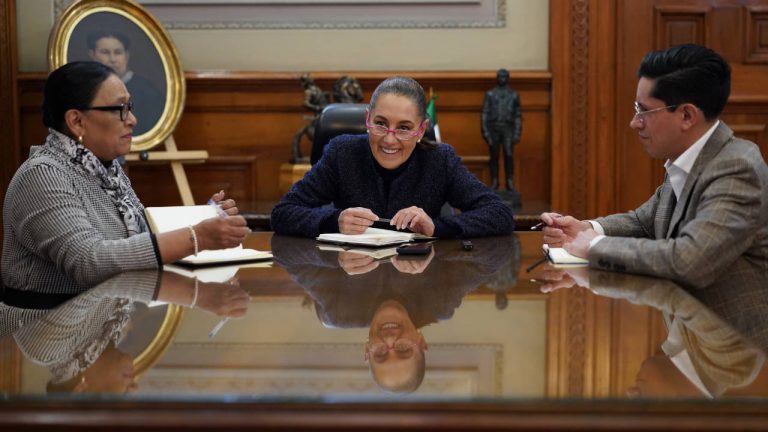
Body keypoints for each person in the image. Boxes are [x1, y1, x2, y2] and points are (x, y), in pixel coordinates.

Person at [1, 61, 251, 294]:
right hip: (42, 331)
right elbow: (88, 262)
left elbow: (140, 240)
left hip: (104, 318)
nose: (132, 120)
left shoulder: (105, 169)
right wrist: (197, 236)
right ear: (77, 121)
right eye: (120, 109)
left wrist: (206, 218)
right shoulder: (43, 175)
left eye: (129, 107)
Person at [539, 44, 768, 290]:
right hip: (685, 320)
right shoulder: (691, 155)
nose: (634, 123)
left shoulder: (737, 168)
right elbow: (646, 223)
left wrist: (595, 247)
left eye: (644, 111)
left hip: (724, 327)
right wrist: (587, 228)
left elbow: (689, 261)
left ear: (687, 116)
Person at [272, 76, 514, 238]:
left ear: (421, 129)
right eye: (380, 124)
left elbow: (499, 214)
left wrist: (436, 227)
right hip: (351, 283)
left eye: (404, 128)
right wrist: (334, 221)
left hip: (420, 282)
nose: (389, 139)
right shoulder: (342, 153)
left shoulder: (440, 159)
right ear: (367, 119)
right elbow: (283, 213)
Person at [87, 30, 164, 136]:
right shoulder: (85, 88)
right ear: (92, 55)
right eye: (105, 52)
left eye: (118, 52)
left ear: (126, 56)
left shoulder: (148, 92)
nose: (112, 59)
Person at [481, 68, 522, 191]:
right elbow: (484, 114)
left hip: (508, 129)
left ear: (508, 78)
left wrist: (517, 133)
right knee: (494, 156)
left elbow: (517, 115)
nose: (502, 78)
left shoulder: (514, 95)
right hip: (494, 128)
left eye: (504, 76)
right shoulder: (490, 94)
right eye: (500, 76)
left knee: (509, 155)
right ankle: (495, 181)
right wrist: (485, 132)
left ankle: (509, 181)